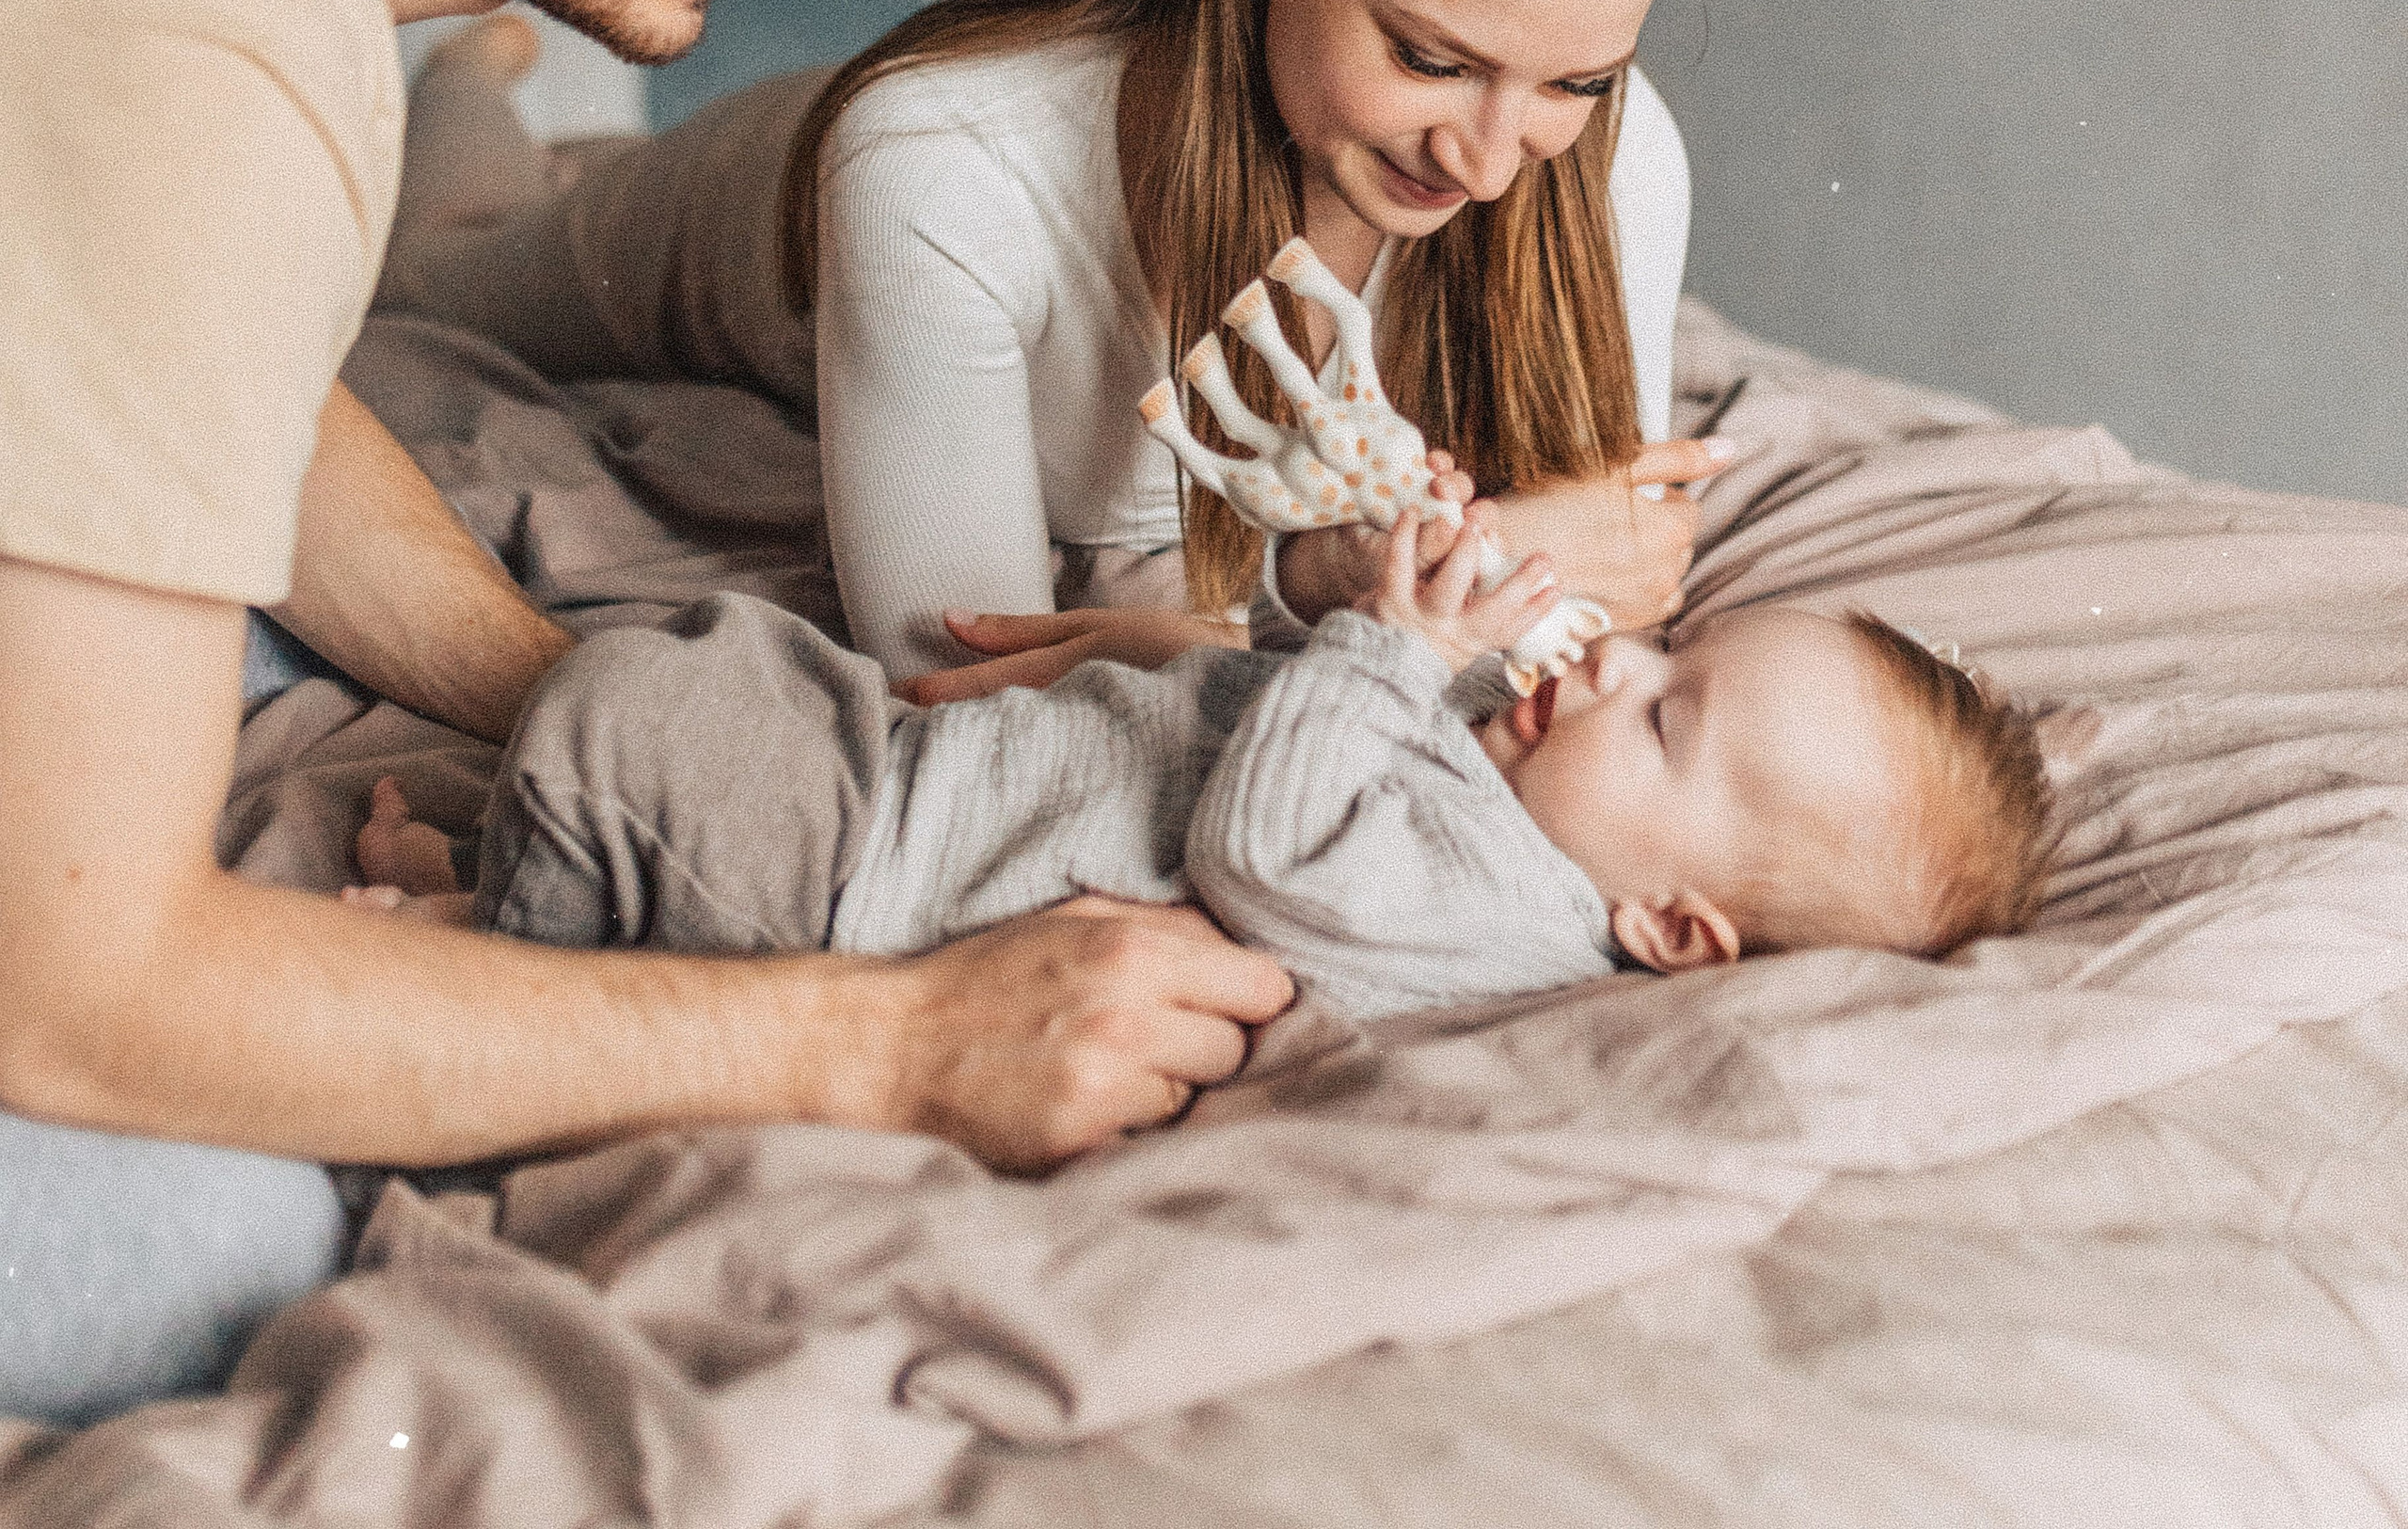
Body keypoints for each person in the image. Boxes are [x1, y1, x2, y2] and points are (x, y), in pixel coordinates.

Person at [0, 0, 1290, 1429]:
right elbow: (77, 1000)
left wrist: (559, 705)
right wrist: (878, 1042)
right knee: (229, 1251)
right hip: (58, 977)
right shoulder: (195, 12)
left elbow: (202, 384)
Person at [380, 0, 1736, 692]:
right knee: (453, 272)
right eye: (1431, 60)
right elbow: (957, 668)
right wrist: (1313, 605)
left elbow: (1581, 595)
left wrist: (1318, 591)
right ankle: (469, 77)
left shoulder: (1613, 161)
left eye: (1574, 78)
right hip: (766, 208)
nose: (1495, 163)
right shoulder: (946, 172)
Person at [347, 512, 2052, 1005]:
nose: (1617, 654)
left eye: (1666, 713)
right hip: (914, 774)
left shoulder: (1497, 920)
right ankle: (518, 875)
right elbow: (1279, 699)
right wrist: (1344, 596)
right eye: (1670, 649)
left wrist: (1393, 655)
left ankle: (508, 965)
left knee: (627, 708)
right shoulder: (1523, 787)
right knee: (725, 668)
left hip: (863, 881)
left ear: (1676, 930)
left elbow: (1271, 846)